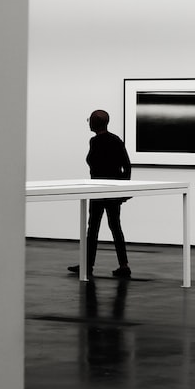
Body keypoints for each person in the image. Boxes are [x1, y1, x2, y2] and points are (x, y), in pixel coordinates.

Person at [68, 110, 132, 278]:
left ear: (95, 123)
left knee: (94, 227)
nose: (88, 123)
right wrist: (123, 188)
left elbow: (95, 162)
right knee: (115, 226)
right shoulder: (116, 140)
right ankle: (123, 265)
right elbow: (127, 166)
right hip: (111, 190)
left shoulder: (95, 141)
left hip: (98, 189)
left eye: (90, 120)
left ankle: (88, 265)